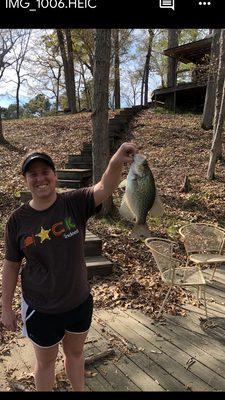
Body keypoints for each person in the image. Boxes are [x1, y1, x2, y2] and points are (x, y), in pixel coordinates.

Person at [1, 142, 137, 392]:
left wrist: (116, 161)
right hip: (40, 308)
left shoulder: (74, 203)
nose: (40, 178)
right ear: (25, 180)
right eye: (33, 174)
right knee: (45, 364)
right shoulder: (17, 220)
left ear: (55, 175)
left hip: (78, 301)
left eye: (45, 172)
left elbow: (105, 186)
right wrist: (6, 308)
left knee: (75, 355)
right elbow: (10, 266)